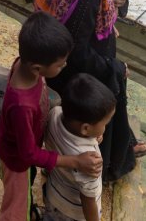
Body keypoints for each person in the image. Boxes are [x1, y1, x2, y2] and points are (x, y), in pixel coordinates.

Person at [35, 0, 146, 184]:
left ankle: (124, 144)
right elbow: (76, 52)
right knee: (102, 111)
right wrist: (114, 67)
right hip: (83, 72)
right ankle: (107, 168)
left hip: (54, 57)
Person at [0, 11, 102, 221]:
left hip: (18, 151)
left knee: (26, 195)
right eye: (60, 64)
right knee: (15, 211)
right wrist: (75, 161)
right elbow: (29, 155)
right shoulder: (22, 106)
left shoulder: (24, 65)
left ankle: (29, 210)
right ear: (38, 68)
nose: (65, 66)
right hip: (16, 163)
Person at [43, 74, 116, 221]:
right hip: (73, 213)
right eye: (104, 124)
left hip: (53, 194)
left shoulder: (54, 114)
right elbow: (88, 200)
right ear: (85, 128)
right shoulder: (90, 162)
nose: (105, 128)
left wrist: (92, 137)